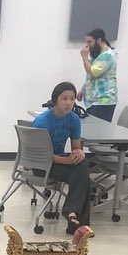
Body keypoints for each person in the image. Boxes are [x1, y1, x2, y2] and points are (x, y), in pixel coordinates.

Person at [31, 81, 91, 233]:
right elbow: (43, 156)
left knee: (82, 166)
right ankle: (77, 222)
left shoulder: (74, 119)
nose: (69, 102)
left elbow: (76, 149)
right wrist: (68, 160)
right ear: (55, 99)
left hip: (58, 160)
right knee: (82, 176)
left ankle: (72, 215)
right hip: (41, 165)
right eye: (64, 98)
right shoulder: (42, 122)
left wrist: (79, 154)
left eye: (72, 99)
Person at [78, 28, 117, 122]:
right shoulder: (97, 55)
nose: (87, 45)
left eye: (89, 42)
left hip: (103, 101)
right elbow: (92, 77)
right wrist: (83, 89)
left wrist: (84, 57)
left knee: (97, 133)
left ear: (99, 40)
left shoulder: (107, 55)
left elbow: (92, 73)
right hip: (94, 101)